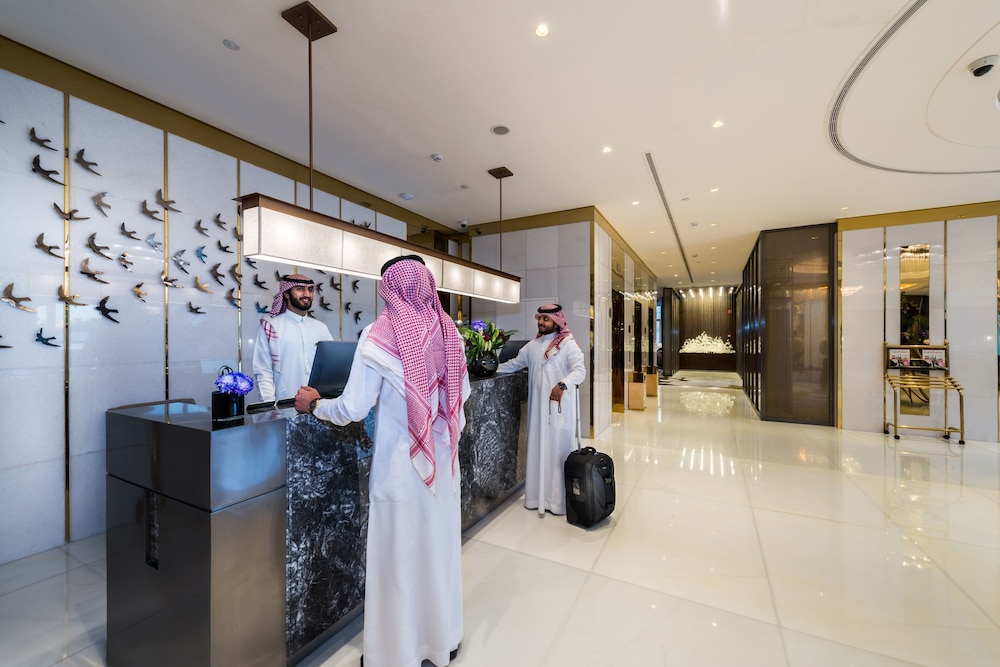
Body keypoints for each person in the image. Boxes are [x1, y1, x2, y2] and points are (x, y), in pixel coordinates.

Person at [294, 255, 470, 667]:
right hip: (443, 466)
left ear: (388, 287)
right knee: (438, 551)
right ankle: (442, 640)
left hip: (401, 470)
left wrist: (315, 404)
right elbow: (460, 400)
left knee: (399, 560)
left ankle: (398, 653)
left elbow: (352, 408)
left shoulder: (380, 333)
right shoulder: (449, 331)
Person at [497, 303, 586, 516]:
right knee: (538, 452)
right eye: (540, 319)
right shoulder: (532, 346)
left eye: (546, 319)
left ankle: (556, 502)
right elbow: (513, 364)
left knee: (556, 454)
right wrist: (487, 368)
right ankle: (537, 499)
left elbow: (579, 371)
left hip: (558, 412)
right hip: (538, 413)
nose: (541, 322)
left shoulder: (568, 345)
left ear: (557, 321)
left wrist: (562, 384)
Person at [252, 274, 333, 402]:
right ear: (286, 294)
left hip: (318, 406)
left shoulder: (321, 328)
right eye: (300, 289)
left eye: (310, 290)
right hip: (284, 406)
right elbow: (263, 371)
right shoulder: (271, 326)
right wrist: (269, 406)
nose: (307, 294)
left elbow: (330, 368)